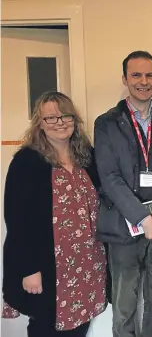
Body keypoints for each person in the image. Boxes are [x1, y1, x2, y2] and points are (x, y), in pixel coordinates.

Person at [94, 50, 152, 337]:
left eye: (149, 75)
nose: (143, 81)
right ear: (125, 79)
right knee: (124, 306)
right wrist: (142, 219)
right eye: (136, 75)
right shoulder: (106, 123)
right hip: (124, 227)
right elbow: (109, 178)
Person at [2, 91, 108, 337]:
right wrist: (29, 268)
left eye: (65, 116)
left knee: (80, 326)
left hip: (86, 264)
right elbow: (17, 220)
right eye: (51, 118)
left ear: (74, 119)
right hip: (47, 266)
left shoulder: (87, 157)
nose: (60, 123)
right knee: (46, 326)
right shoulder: (27, 161)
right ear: (39, 124)